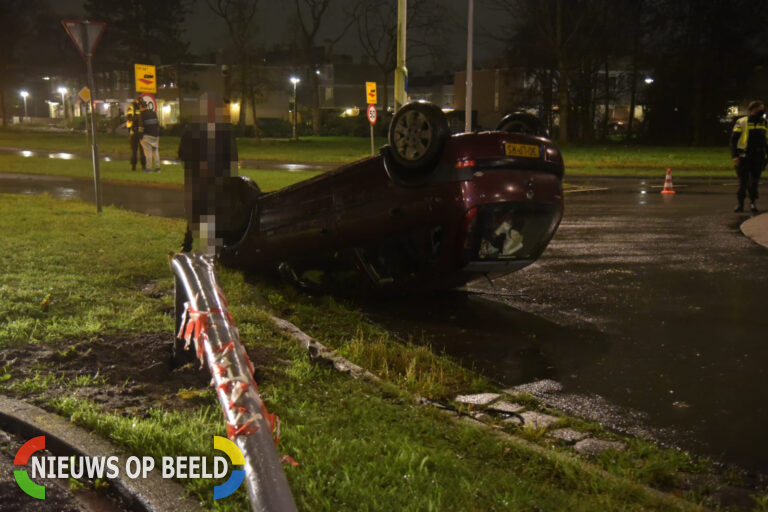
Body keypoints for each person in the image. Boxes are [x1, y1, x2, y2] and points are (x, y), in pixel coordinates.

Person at [730, 100, 768, 212]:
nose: (763, 110)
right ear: (754, 109)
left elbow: (766, 141)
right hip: (744, 155)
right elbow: (733, 140)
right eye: (761, 108)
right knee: (743, 181)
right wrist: (735, 155)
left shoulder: (764, 123)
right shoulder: (742, 122)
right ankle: (740, 204)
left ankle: (752, 203)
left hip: (759, 155)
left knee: (754, 181)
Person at [138, 98, 161, 172]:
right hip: (155, 135)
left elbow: (141, 127)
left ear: (141, 107)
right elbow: (158, 124)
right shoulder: (153, 113)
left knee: (148, 152)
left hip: (147, 136)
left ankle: (149, 168)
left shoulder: (142, 115)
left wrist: (140, 136)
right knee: (155, 151)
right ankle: (158, 168)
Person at [126, 100, 146, 171]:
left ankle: (138, 166)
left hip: (136, 131)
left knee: (138, 150)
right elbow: (129, 118)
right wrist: (138, 119)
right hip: (136, 131)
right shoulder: (133, 108)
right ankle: (137, 166)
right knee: (139, 150)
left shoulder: (132, 108)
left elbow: (129, 118)